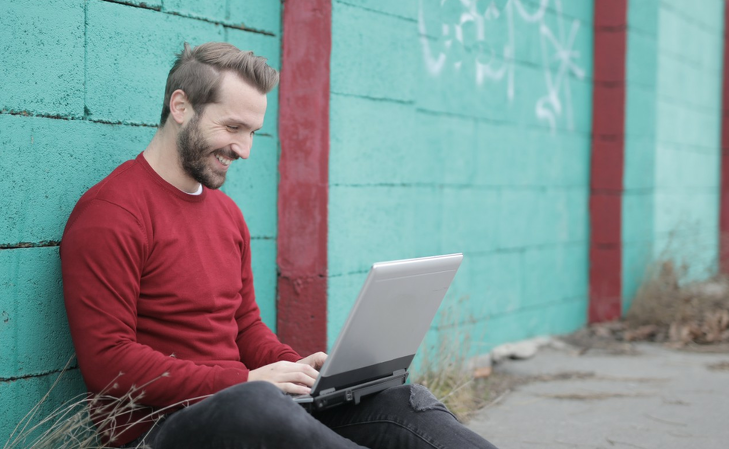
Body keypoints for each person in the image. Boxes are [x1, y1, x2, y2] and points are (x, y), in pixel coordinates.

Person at [60, 42, 497, 449]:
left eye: (252, 132)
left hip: (250, 404)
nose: (244, 149)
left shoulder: (226, 214)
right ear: (180, 106)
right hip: (160, 430)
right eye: (232, 127)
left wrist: (299, 370)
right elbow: (108, 360)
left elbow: (246, 327)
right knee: (258, 405)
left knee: (403, 402)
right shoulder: (112, 213)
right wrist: (244, 380)